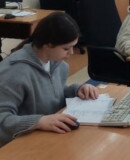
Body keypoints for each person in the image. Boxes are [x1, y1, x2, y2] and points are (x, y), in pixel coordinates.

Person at [0, 12, 100, 147]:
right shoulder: (14, 72)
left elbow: (51, 94)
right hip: (18, 145)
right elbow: (2, 119)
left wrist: (76, 90)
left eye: (73, 46)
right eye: (66, 48)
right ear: (47, 45)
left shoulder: (57, 63)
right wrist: (38, 122)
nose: (71, 53)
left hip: (48, 136)